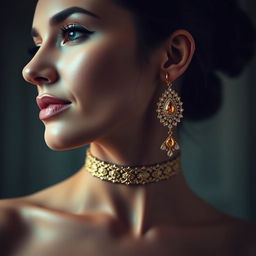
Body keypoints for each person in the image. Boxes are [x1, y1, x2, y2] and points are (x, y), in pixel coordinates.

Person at [1, 0, 256, 255]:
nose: (31, 69)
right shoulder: (9, 231)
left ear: (172, 56)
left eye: (72, 33)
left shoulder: (243, 246)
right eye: (36, 46)